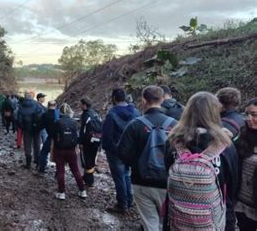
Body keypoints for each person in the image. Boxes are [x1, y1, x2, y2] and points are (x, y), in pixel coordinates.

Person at [164, 92, 238, 230]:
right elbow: (233, 185)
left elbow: (167, 174)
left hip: (177, 217)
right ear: (215, 113)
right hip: (216, 219)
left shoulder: (173, 142)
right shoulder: (225, 144)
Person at [117, 86, 177, 231]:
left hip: (141, 181)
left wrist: (137, 164)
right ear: (162, 100)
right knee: (167, 223)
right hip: (169, 182)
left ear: (143, 100)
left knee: (150, 223)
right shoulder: (175, 125)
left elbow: (122, 153)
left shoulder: (135, 125)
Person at [102, 88, 140, 213]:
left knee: (119, 177)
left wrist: (107, 149)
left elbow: (107, 135)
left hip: (115, 151)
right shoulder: (135, 112)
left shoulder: (111, 114)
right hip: (131, 150)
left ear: (113, 98)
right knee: (127, 174)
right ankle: (129, 200)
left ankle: (122, 204)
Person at [52, 103, 87, 200]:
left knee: (60, 170)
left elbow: (54, 136)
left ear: (60, 112)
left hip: (60, 149)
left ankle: (62, 192)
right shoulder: (73, 122)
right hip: (71, 149)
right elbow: (76, 135)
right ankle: (82, 190)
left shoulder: (57, 122)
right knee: (75, 170)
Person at [234, 98, 257, 230]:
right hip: (242, 203)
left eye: (254, 115)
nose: (249, 118)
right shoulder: (242, 134)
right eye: (247, 114)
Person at [79, 97, 102, 187]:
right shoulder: (95, 113)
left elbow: (83, 130)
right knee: (92, 159)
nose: (80, 106)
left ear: (84, 105)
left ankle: (89, 180)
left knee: (87, 159)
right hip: (97, 140)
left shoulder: (85, 115)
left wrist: (80, 142)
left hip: (88, 141)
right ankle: (87, 177)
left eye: (81, 104)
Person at [18, 92, 43, 169]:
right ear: (31, 98)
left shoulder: (21, 106)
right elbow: (41, 116)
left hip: (27, 129)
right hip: (36, 129)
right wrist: (39, 127)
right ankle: (37, 163)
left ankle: (28, 164)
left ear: (25, 98)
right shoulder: (37, 104)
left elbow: (19, 119)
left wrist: (23, 128)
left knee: (27, 145)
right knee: (37, 145)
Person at [38, 100, 59, 174]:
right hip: (59, 138)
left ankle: (41, 169)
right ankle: (58, 172)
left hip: (50, 137)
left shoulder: (45, 114)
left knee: (44, 153)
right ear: (55, 105)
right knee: (59, 155)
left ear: (48, 105)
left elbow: (41, 126)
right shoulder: (58, 113)